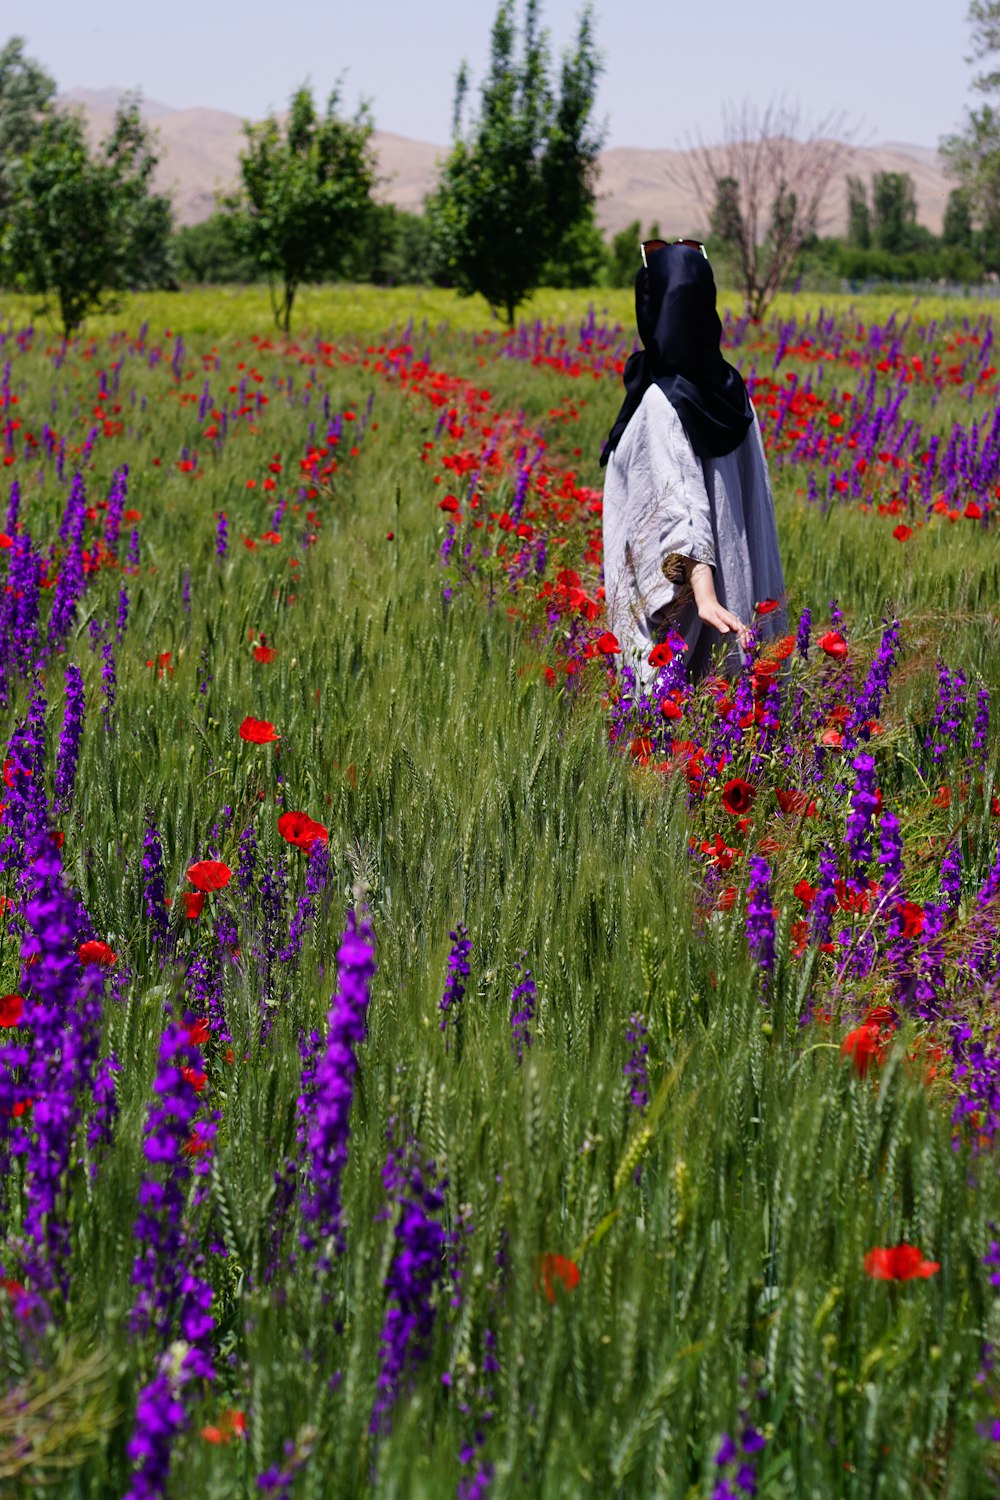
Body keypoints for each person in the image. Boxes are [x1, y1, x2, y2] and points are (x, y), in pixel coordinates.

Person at [600, 239, 786, 685]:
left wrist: (702, 595)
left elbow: (679, 505)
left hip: (693, 613)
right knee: (734, 712)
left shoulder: (662, 401)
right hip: (737, 597)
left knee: (678, 722)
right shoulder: (733, 392)